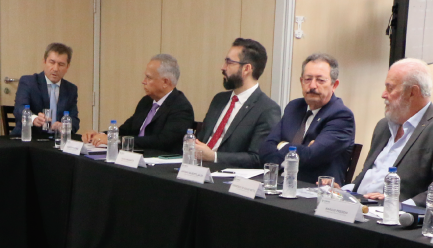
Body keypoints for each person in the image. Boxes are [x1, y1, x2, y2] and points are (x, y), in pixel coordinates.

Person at [351, 59, 433, 207]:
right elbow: (369, 174)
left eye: (390, 88)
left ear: (413, 92)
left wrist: (398, 205)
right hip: (360, 205)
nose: (383, 95)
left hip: (399, 218)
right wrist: (343, 190)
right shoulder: (384, 125)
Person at [259, 53, 355, 183]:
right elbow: (265, 149)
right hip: (279, 184)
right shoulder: (294, 107)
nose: (313, 86)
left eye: (320, 80)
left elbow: (312, 156)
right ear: (301, 81)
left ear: (334, 85)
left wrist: (282, 146)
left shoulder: (341, 116)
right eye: (308, 79)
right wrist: (298, 150)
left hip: (315, 190)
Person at [192, 38, 280, 167]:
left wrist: (214, 157)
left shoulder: (267, 109)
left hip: (226, 176)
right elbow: (201, 138)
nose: (223, 67)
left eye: (229, 62)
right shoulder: (219, 99)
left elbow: (257, 157)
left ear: (246, 69)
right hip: (197, 169)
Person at [85, 54, 194, 153]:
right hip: (134, 156)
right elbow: (127, 129)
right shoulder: (146, 101)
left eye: (148, 77)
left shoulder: (181, 107)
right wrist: (101, 135)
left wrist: (116, 140)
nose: (143, 81)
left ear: (165, 82)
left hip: (157, 162)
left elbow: (162, 141)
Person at [12, 42, 80, 137]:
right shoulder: (29, 82)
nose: (55, 68)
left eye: (61, 64)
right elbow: (20, 109)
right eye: (52, 62)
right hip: (30, 139)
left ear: (67, 67)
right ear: (44, 62)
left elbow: (75, 120)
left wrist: (65, 126)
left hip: (57, 140)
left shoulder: (71, 89)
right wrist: (34, 118)